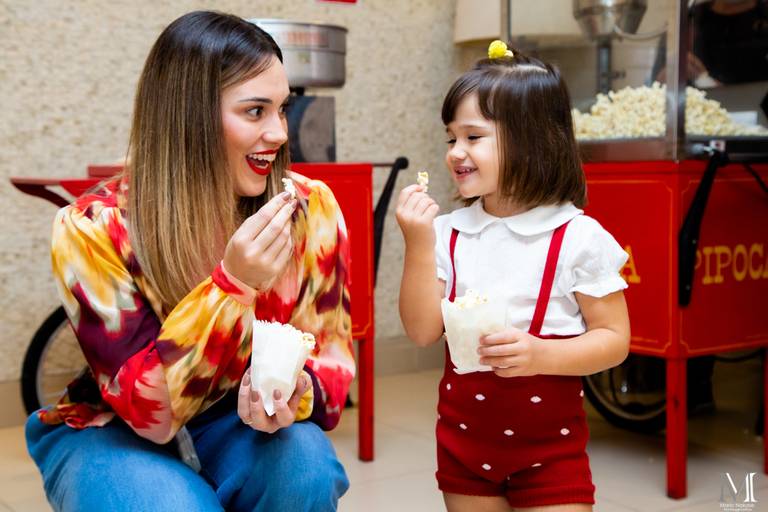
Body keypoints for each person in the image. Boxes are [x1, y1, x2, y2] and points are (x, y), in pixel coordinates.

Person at [25, 11, 353, 512]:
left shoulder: (311, 210)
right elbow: (148, 414)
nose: (280, 133)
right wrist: (232, 287)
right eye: (255, 111)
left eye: (282, 109)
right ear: (189, 116)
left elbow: (331, 364)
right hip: (113, 425)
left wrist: (295, 391)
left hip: (233, 419)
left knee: (305, 466)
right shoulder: (93, 227)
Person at [396, 41, 631, 511]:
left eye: (472, 137)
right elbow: (423, 331)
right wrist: (419, 244)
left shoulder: (577, 237)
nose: (455, 152)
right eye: (450, 139)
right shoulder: (449, 234)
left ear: (532, 140)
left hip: (551, 453)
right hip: (464, 446)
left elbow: (614, 339)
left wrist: (541, 353)